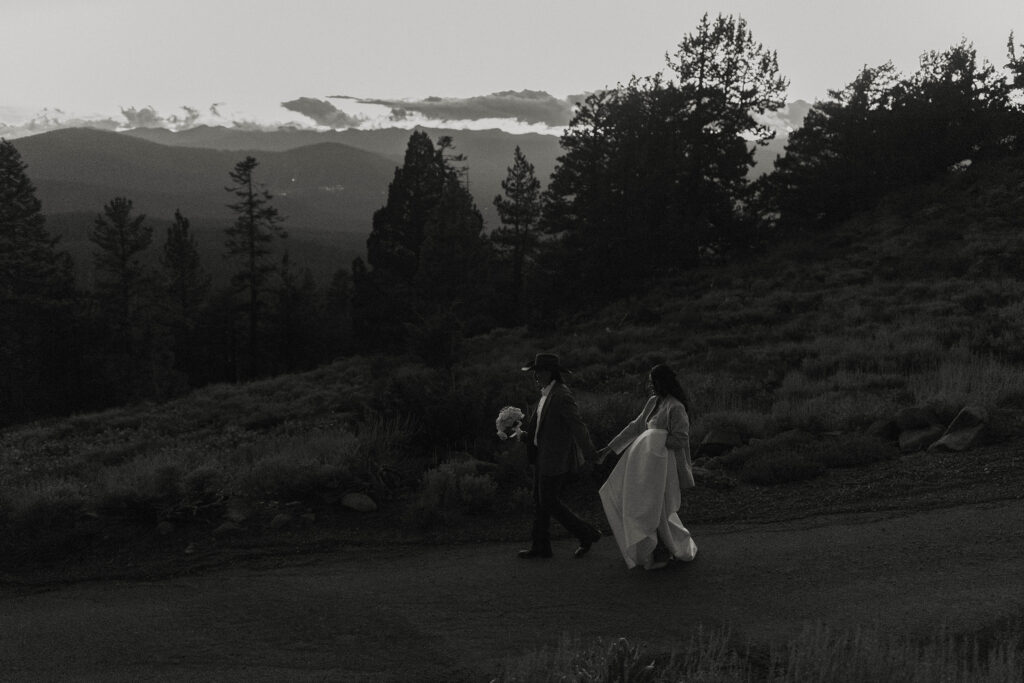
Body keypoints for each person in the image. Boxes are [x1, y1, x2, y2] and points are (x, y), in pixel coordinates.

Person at [596, 364, 698, 570]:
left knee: (656, 509)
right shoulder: (653, 403)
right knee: (647, 507)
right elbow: (636, 427)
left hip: (664, 469)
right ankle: (657, 547)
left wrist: (654, 440)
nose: (649, 385)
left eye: (653, 381)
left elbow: (680, 439)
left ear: (662, 382)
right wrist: (610, 448)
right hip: (647, 468)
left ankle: (662, 549)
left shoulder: (676, 407)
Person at [517, 353, 603, 560]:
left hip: (554, 459)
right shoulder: (546, 393)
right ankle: (541, 546)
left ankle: (587, 534)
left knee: (548, 502)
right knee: (540, 501)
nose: (535, 376)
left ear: (549, 372)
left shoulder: (562, 395)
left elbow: (577, 426)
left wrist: (591, 453)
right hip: (542, 456)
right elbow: (543, 428)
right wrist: (525, 436)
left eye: (538, 372)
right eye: (534, 372)